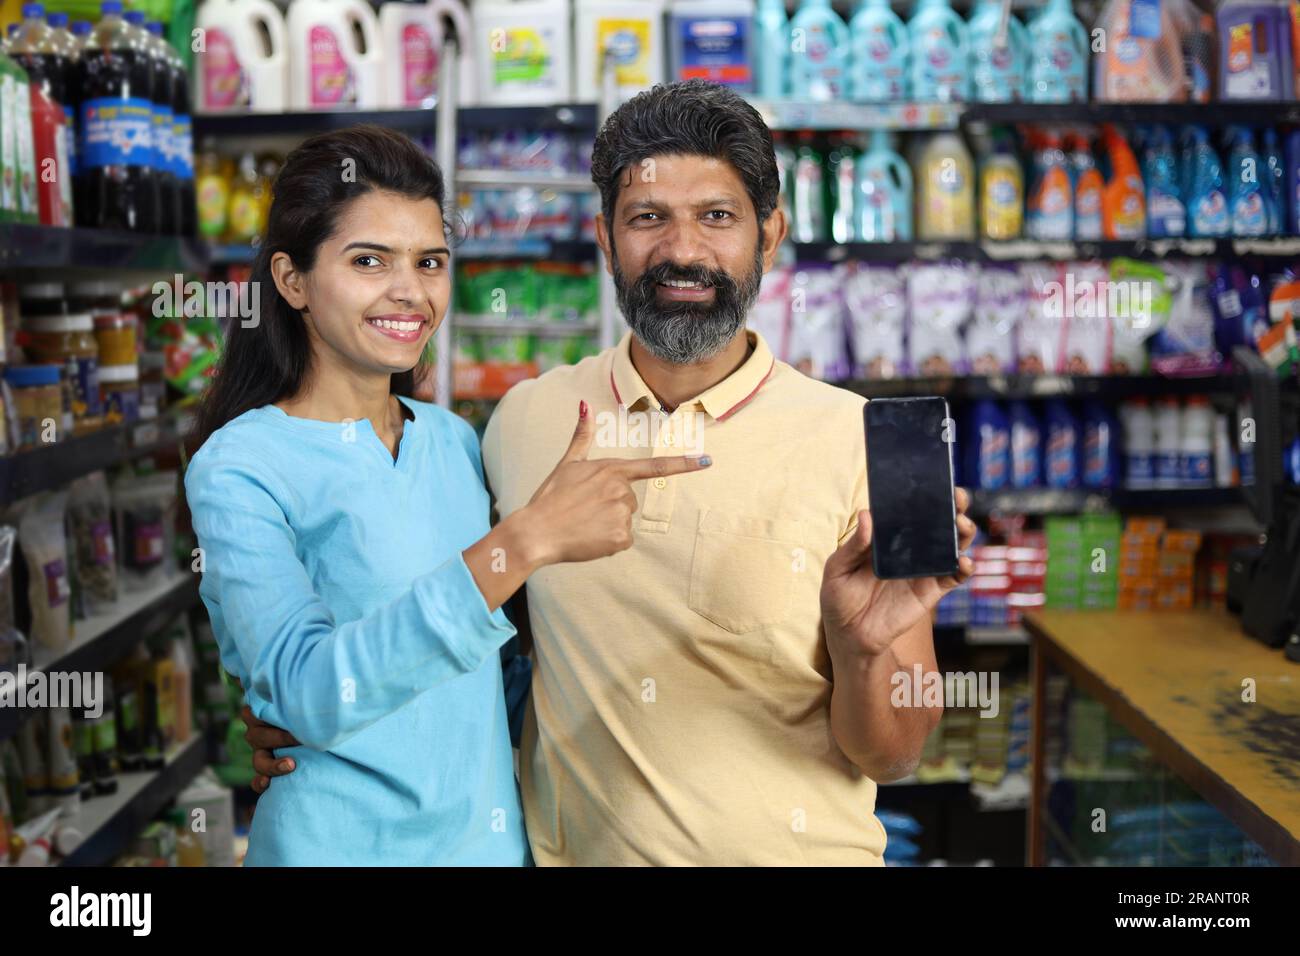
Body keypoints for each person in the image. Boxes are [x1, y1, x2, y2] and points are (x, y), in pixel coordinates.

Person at [245, 83, 976, 865]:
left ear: (770, 237)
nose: (683, 251)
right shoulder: (523, 424)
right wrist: (319, 725)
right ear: (605, 237)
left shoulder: (878, 448)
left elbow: (895, 755)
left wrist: (861, 652)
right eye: (648, 217)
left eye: (718, 217)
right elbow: (477, 631)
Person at [186, 125, 711, 865]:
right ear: (292, 279)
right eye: (369, 261)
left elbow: (484, 678)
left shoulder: (453, 441)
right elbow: (307, 691)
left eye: (429, 262)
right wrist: (522, 542)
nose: (410, 291)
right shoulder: (239, 466)